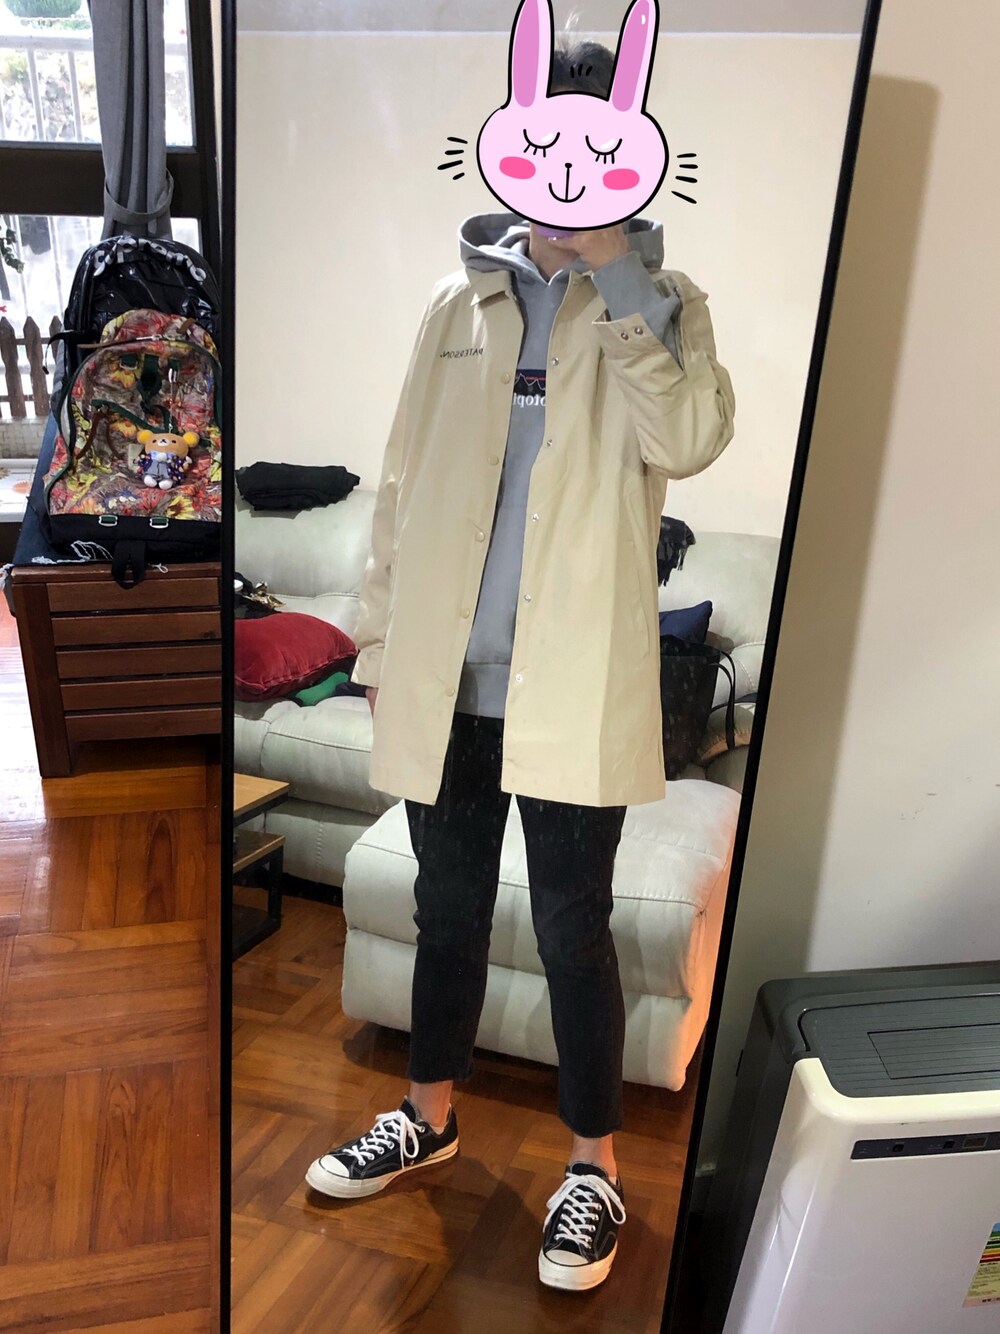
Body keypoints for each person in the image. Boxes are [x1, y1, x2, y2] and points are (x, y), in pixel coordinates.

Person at [305, 38, 735, 1293]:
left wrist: (618, 270)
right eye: (550, 140)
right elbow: (401, 486)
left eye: (597, 146)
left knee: (570, 928)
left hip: (571, 695)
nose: (567, 172)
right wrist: (377, 642)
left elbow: (690, 438)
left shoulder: (665, 302)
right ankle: (427, 1115)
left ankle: (592, 1167)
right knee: (443, 909)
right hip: (447, 689)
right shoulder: (457, 304)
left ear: (629, 153)